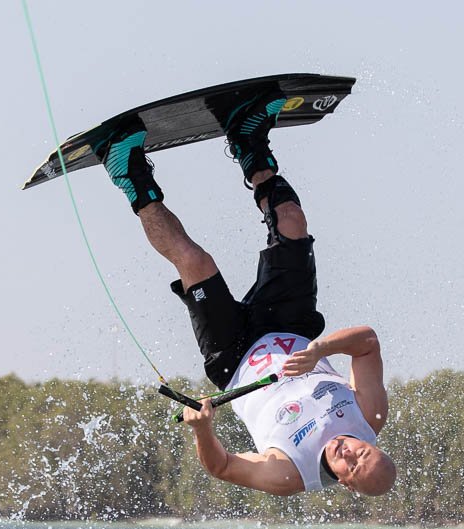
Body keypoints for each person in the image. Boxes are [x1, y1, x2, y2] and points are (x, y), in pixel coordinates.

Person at [94, 94, 395, 498]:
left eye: (352, 464)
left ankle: (127, 171)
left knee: (194, 261)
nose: (351, 450)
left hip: (234, 355)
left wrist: (203, 428)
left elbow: (221, 466)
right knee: (291, 222)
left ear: (345, 480)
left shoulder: (290, 474)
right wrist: (320, 348)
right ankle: (248, 140)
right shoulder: (369, 415)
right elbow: (368, 344)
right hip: (291, 328)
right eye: (364, 451)